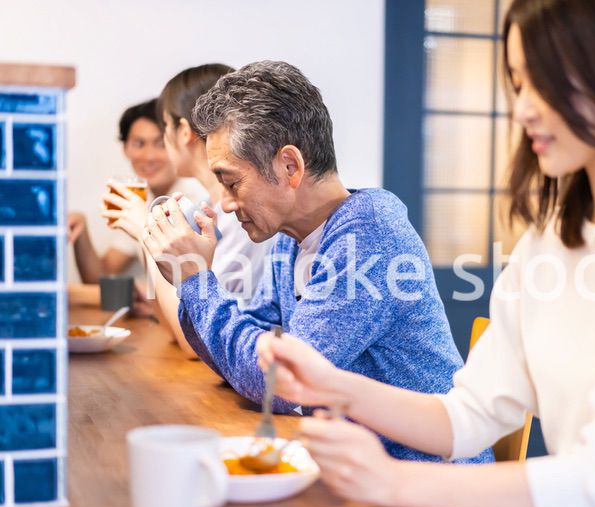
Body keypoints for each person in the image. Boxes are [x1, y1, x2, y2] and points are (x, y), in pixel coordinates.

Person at [256, 0, 595, 507]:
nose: (522, 110)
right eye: (519, 83)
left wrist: (392, 480)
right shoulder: (555, 234)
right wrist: (332, 385)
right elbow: (469, 416)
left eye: (544, 82)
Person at [140, 61, 496, 469]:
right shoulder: (290, 242)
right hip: (357, 474)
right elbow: (249, 353)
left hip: (433, 495)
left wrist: (197, 282)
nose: (223, 202)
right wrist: (193, 284)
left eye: (231, 181)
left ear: (290, 166)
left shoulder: (369, 236)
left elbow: (276, 381)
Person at [105, 64, 271, 355]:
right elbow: (175, 325)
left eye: (164, 129)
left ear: (182, 131)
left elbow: (198, 345)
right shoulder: (208, 207)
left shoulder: (238, 215)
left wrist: (148, 231)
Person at [69, 99, 206, 283]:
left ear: (179, 142)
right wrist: (82, 229)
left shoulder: (195, 199)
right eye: (139, 144)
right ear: (125, 149)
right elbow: (102, 276)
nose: (149, 157)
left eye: (160, 144)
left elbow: (191, 287)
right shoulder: (142, 200)